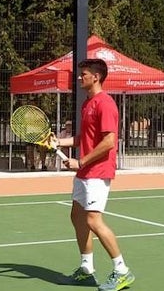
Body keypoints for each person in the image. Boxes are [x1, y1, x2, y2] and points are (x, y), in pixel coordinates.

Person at [53, 59, 134, 290]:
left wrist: (81, 161)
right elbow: (83, 139)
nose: (80, 78)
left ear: (96, 77)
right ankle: (86, 269)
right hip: (85, 172)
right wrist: (59, 141)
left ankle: (122, 270)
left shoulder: (105, 104)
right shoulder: (87, 103)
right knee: (77, 216)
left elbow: (109, 141)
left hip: (98, 171)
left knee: (92, 219)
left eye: (84, 74)